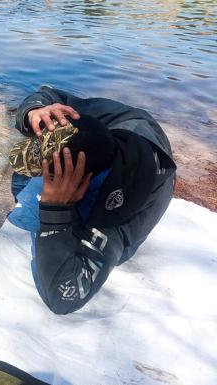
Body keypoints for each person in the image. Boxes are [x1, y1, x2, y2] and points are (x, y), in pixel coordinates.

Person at [9, 86, 176, 314]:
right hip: (135, 125)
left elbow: (64, 296)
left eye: (46, 174)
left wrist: (56, 211)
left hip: (133, 185)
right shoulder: (97, 122)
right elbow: (50, 93)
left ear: (76, 185)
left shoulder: (116, 216)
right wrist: (34, 111)